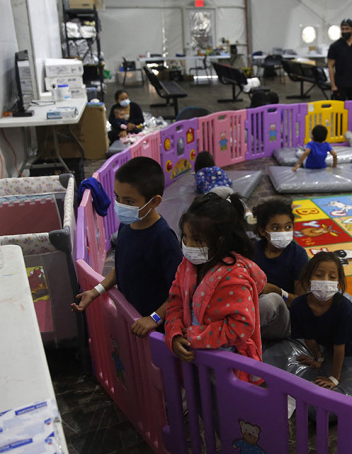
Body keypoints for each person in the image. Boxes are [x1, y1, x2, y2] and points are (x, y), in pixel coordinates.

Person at [71, 157, 182, 339]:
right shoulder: (127, 224)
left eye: (129, 201)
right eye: (117, 197)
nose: (120, 205)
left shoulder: (163, 238)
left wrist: (154, 318)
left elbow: (180, 289)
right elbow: (122, 267)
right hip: (134, 319)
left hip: (156, 331)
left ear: (154, 202)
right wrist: (96, 291)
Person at [164, 192, 267, 385]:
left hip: (225, 365)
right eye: (185, 236)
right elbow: (175, 302)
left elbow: (241, 326)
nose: (188, 245)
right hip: (194, 357)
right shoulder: (187, 266)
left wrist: (196, 337)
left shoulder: (234, 277)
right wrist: (175, 334)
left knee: (221, 410)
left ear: (219, 241)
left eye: (198, 240)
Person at [289, 252, 352, 391]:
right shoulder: (299, 304)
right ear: (309, 277)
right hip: (326, 343)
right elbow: (309, 338)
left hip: (349, 347)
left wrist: (334, 378)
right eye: (319, 275)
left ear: (339, 282)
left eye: (332, 277)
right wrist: (318, 359)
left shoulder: (343, 307)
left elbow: (340, 346)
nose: (325, 280)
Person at [251, 200, 309, 339]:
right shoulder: (253, 251)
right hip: (252, 310)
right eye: (276, 228)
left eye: (288, 227)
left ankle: (241, 333)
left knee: (270, 301)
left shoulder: (298, 255)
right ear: (262, 231)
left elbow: (301, 304)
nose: (284, 232)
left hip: (285, 320)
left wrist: (278, 291)